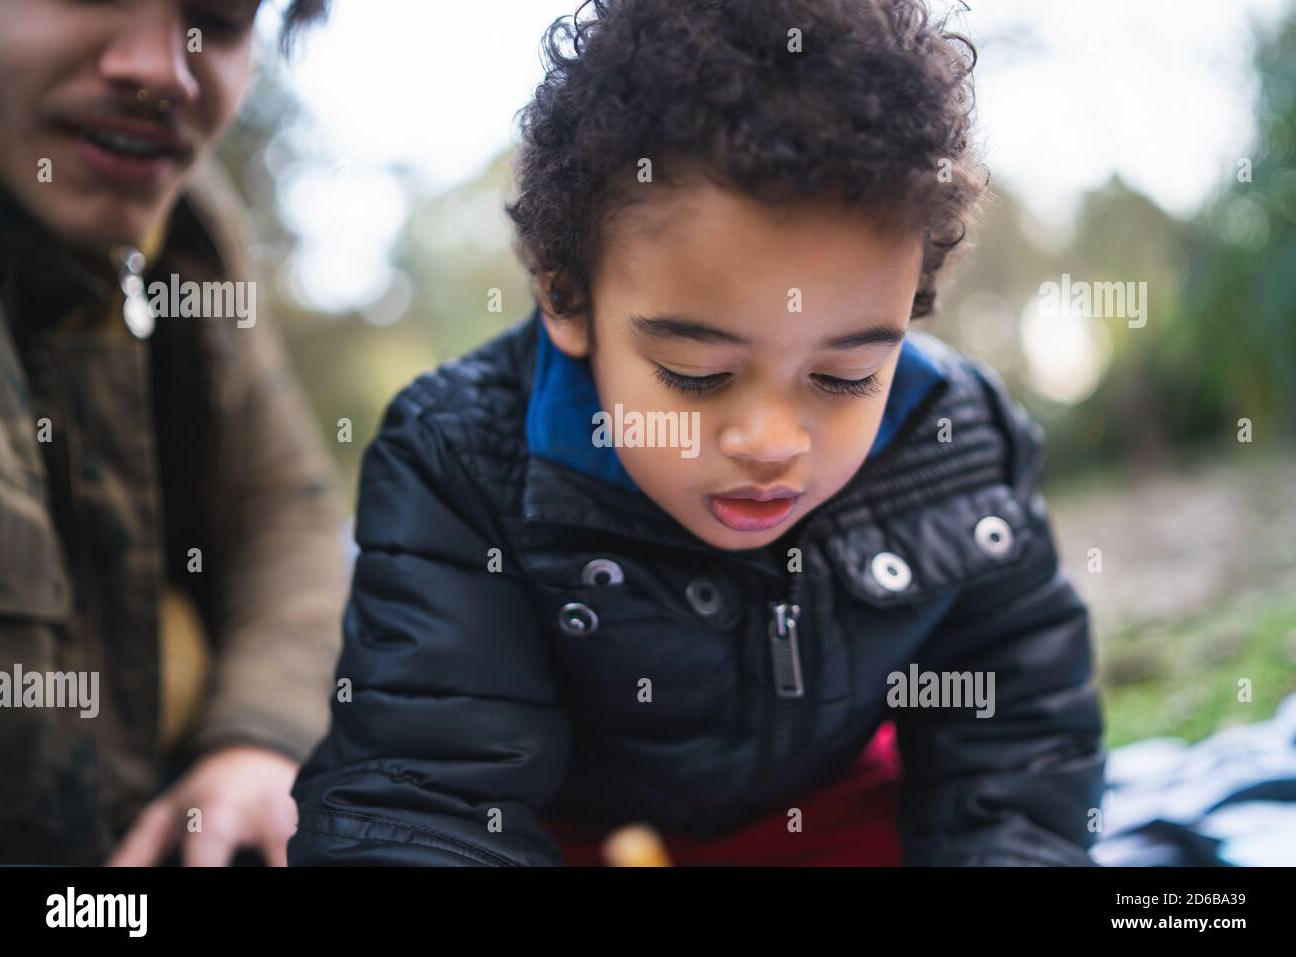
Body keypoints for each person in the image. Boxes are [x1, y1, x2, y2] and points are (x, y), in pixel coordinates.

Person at [290, 0, 1106, 866]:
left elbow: (1017, 762)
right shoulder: (458, 461)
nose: (770, 439)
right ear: (567, 297)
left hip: (827, 816)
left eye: (844, 377)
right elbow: (424, 803)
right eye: (698, 374)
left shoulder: (959, 444)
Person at [0, 0, 344, 866]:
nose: (163, 69)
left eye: (220, 22)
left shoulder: (187, 238)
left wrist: (254, 742)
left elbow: (284, 513)